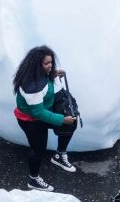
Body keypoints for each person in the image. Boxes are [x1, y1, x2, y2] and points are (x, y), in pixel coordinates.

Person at [12, 45, 78, 191]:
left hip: (42, 112)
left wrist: (52, 74)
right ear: (37, 65)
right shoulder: (31, 86)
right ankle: (33, 179)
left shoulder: (38, 75)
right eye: (46, 63)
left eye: (51, 62)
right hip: (31, 121)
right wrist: (61, 119)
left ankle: (60, 155)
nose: (50, 65)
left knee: (70, 123)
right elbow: (38, 113)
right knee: (38, 150)